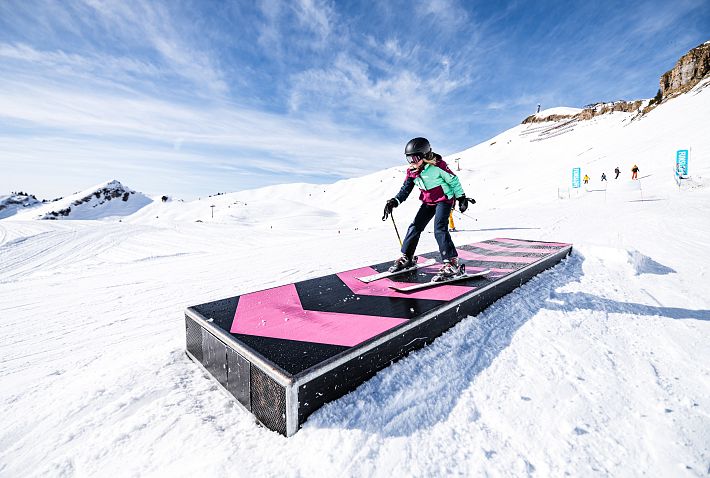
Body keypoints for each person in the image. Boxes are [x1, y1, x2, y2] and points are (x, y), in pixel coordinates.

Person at [383, 137, 470, 282]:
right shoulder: (412, 171)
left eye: (415, 157)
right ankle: (408, 257)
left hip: (444, 200)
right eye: (408, 158)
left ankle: (452, 262)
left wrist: (461, 198)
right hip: (428, 202)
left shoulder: (438, 166)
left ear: (424, 155)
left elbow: (453, 180)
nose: (412, 162)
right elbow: (405, 189)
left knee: (439, 229)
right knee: (415, 227)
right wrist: (395, 201)